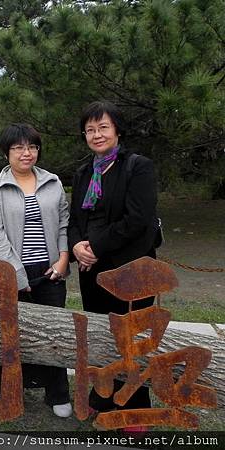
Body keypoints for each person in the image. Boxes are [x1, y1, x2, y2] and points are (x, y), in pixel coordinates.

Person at [67, 100, 159, 426]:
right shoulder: (83, 173)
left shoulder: (138, 167)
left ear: (117, 129)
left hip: (130, 271)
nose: (96, 134)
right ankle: (102, 399)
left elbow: (139, 220)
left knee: (131, 341)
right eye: (90, 129)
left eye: (103, 127)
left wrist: (95, 245)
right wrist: (77, 244)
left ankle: (136, 409)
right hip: (92, 272)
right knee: (102, 339)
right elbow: (76, 218)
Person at [0, 123, 72, 418]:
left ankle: (57, 393)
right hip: (9, 273)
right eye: (18, 147)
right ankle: (9, 390)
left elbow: (63, 225)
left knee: (54, 334)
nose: (26, 153)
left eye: (32, 147)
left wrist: (62, 259)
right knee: (9, 336)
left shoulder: (53, 183)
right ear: (6, 152)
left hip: (50, 273)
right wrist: (17, 277)